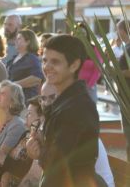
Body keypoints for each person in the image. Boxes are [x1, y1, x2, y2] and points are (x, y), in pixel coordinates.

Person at [26, 35, 103, 187]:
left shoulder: (77, 107)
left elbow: (58, 162)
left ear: (74, 65)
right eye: (45, 60)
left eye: (55, 61)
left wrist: (37, 153)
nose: (47, 67)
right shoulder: (65, 100)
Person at [7, 29, 43, 104]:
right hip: (13, 101)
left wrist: (13, 85)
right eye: (16, 39)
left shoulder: (32, 58)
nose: (16, 41)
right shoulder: (14, 58)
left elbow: (37, 78)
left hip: (26, 102)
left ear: (28, 42)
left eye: (19, 39)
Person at [74, 23, 103, 103]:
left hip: (89, 87)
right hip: (72, 87)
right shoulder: (70, 49)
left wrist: (88, 86)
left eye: (83, 33)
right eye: (78, 33)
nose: (81, 35)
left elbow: (98, 70)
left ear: (87, 35)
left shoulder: (94, 49)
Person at [117, 19, 130, 162]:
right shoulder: (126, 48)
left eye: (117, 29)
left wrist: (117, 71)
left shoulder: (129, 48)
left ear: (122, 31)